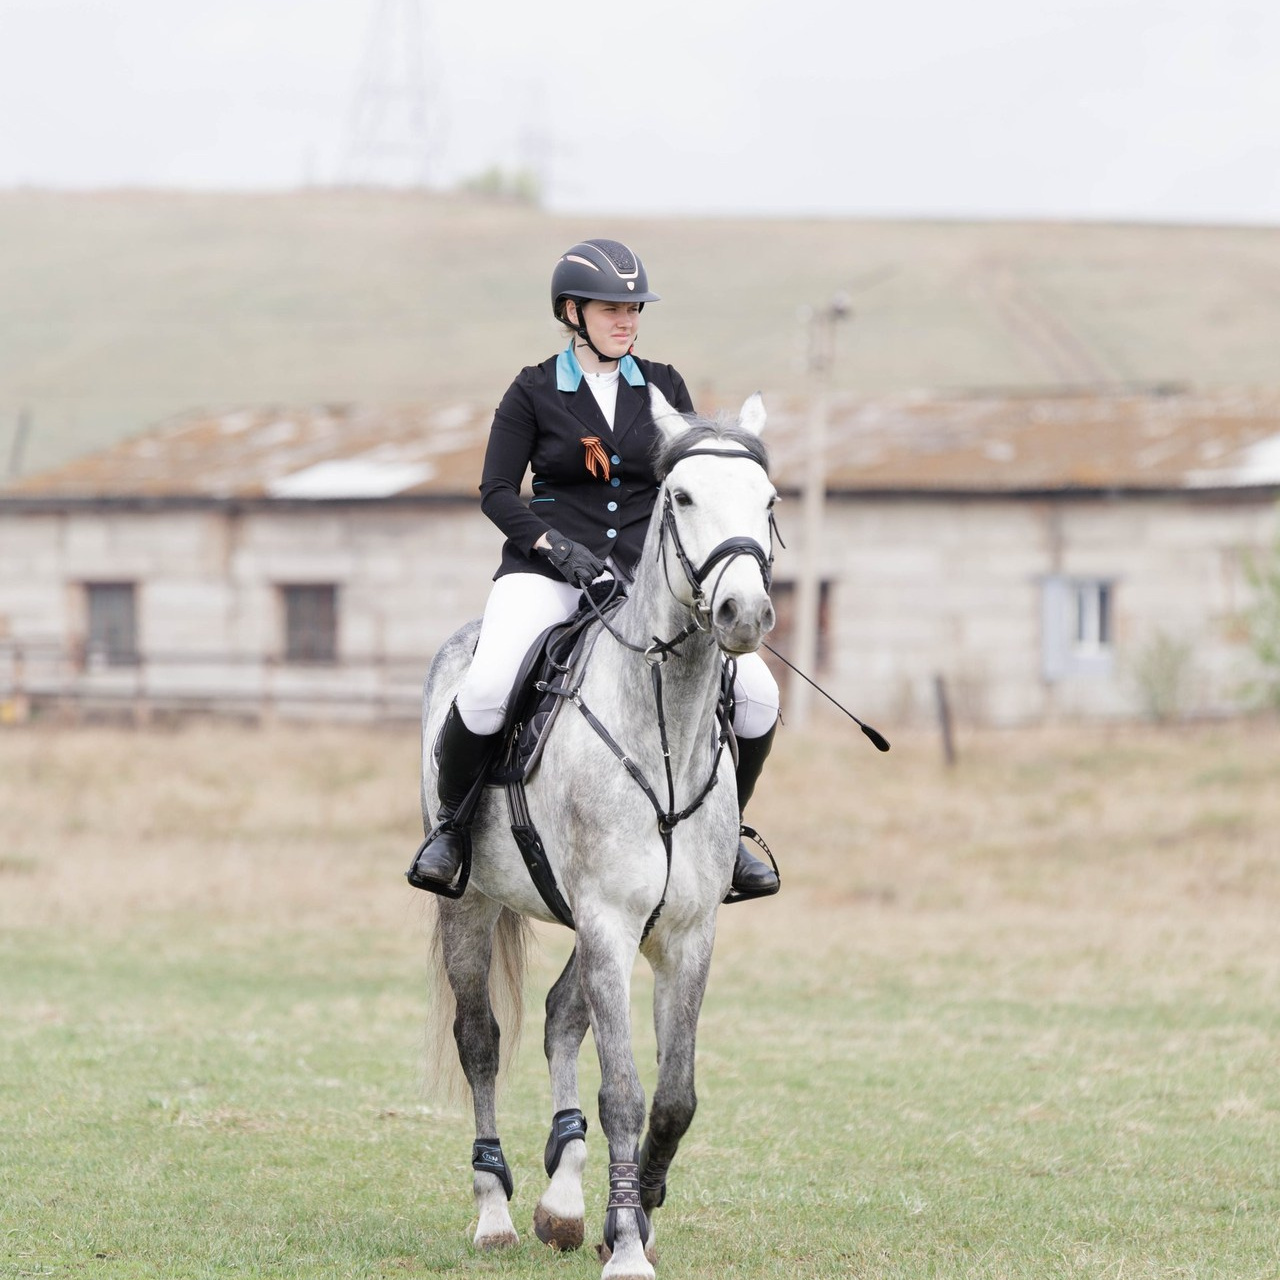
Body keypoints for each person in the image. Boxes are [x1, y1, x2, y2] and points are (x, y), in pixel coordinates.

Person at [407, 238, 780, 901]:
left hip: (648, 581)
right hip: (546, 571)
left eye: (634, 310)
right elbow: (496, 491)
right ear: (572, 312)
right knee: (490, 683)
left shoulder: (664, 387)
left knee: (758, 694)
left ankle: (730, 836)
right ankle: (453, 830)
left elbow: (691, 484)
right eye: (613, 310)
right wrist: (555, 548)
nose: (627, 322)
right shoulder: (532, 390)